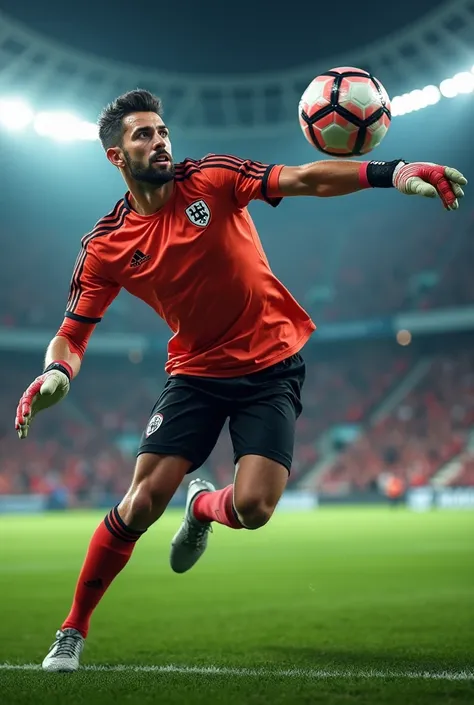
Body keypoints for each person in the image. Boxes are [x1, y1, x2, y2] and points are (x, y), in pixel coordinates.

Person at [14, 89, 466, 672]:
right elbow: (71, 333)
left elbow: (305, 178)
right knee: (141, 501)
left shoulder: (213, 178)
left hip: (271, 364)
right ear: (116, 158)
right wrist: (55, 372)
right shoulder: (105, 245)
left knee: (254, 509)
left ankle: (202, 507)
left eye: (161, 131)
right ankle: (72, 630)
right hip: (196, 373)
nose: (159, 142)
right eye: (142, 136)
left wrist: (395, 172)